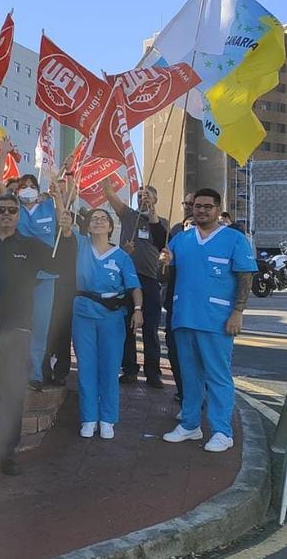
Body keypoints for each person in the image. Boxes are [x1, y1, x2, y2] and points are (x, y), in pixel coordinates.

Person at [0, 192, 74, 475]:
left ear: (18, 216)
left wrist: (66, 234)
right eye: (1, 209)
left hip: (17, 331)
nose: (6, 214)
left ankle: (4, 455)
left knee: (12, 395)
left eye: (12, 211)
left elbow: (60, 265)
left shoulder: (31, 246)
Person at [161, 188, 256, 453]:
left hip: (217, 319)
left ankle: (222, 431)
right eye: (197, 206)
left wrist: (238, 312)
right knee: (189, 376)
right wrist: (164, 263)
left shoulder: (234, 239)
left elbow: (245, 278)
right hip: (184, 317)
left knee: (217, 376)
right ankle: (190, 424)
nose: (201, 210)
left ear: (217, 209)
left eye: (207, 206)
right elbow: (165, 279)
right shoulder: (180, 240)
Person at [62, 208, 143, 439]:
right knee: (86, 366)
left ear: (111, 227)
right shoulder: (80, 245)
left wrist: (138, 310)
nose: (98, 222)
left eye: (103, 219)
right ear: (87, 226)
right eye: (94, 219)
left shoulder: (121, 257)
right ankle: (88, 418)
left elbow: (134, 287)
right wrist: (59, 192)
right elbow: (65, 224)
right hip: (84, 313)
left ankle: (108, 418)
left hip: (112, 316)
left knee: (109, 367)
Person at [101, 182, 169, 388]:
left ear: (155, 199)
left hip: (149, 280)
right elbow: (111, 196)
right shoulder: (129, 215)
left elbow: (164, 245)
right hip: (127, 279)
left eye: (147, 195)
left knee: (150, 329)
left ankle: (153, 372)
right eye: (139, 196)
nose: (142, 199)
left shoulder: (162, 223)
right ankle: (129, 369)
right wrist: (108, 185)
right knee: (127, 328)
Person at [3, 173, 59, 391]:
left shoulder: (49, 207)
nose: (27, 189)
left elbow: (64, 212)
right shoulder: (13, 210)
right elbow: (0, 188)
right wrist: (4, 155)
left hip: (46, 278)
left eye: (31, 186)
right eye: (22, 186)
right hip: (20, 277)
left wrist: (58, 184)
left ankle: (35, 373)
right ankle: (12, 372)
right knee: (17, 325)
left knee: (40, 328)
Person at [164, 192, 196, 404]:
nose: (190, 207)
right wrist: (165, 262)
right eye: (187, 204)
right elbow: (164, 275)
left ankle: (197, 394)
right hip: (176, 307)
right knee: (175, 352)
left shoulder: (222, 237)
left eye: (194, 204)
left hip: (203, 311)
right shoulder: (175, 234)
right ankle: (184, 392)